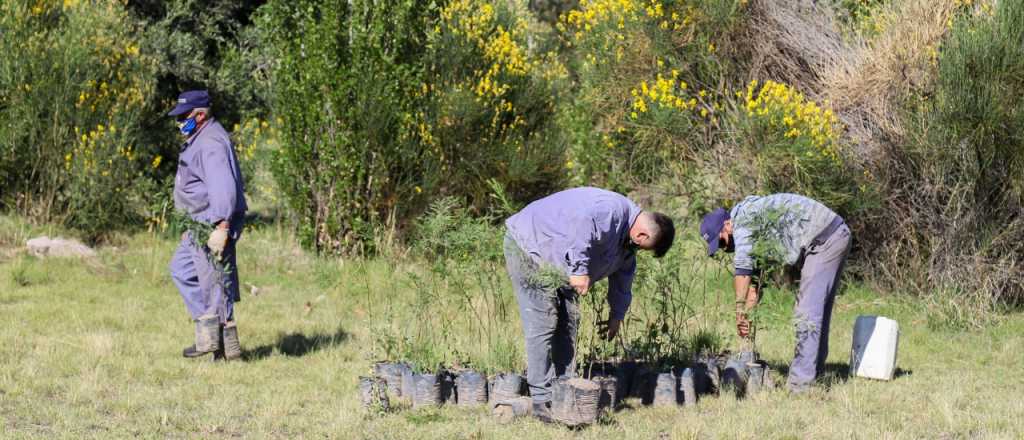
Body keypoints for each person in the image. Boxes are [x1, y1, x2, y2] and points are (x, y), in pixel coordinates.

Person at [504, 187, 675, 422]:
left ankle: (564, 390)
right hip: (530, 248)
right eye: (641, 247)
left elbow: (624, 278)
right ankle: (541, 401)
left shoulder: (627, 243)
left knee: (569, 325)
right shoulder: (611, 210)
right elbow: (580, 224)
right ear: (642, 236)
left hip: (559, 265)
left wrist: (617, 315)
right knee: (543, 322)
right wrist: (578, 269)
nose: (637, 251)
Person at [700, 193, 851, 393]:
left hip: (825, 239)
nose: (724, 248)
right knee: (815, 312)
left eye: (722, 242)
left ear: (727, 225)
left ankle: (800, 386)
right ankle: (815, 374)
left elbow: (743, 270)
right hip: (833, 234)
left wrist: (739, 311)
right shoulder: (754, 227)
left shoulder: (743, 219)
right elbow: (756, 281)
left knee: (806, 313)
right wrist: (749, 317)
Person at [167, 90, 248, 361]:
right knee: (182, 271)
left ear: (200, 115)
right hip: (197, 222)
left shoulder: (211, 142)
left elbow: (222, 186)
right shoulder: (199, 138)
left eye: (183, 117)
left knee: (215, 282)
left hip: (211, 220)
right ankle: (209, 333)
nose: (179, 122)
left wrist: (222, 226)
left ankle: (225, 349)